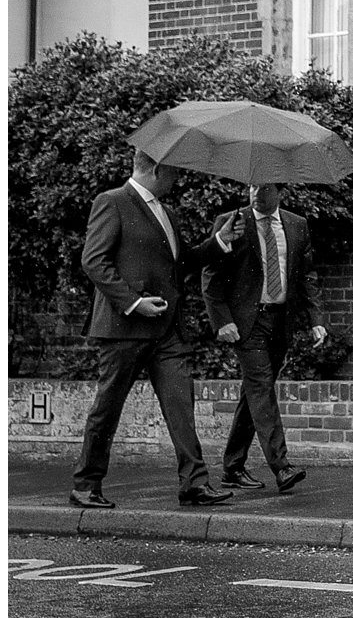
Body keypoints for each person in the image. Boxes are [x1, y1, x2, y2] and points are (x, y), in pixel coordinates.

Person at [72, 150, 243, 508]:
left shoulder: (167, 213)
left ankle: (194, 483)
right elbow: (93, 260)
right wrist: (134, 302)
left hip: (168, 331)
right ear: (157, 168)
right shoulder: (113, 201)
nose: (178, 178)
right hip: (125, 328)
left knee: (181, 405)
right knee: (108, 407)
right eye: (175, 171)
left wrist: (220, 242)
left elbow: (182, 265)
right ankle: (86, 485)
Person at [203, 182, 324, 494]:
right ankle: (281, 467)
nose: (257, 193)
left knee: (256, 391)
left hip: (280, 319)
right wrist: (222, 321)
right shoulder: (231, 222)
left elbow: (308, 275)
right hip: (247, 323)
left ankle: (232, 467)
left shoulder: (297, 225)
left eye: (265, 188)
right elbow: (210, 276)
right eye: (253, 187)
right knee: (259, 386)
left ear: (279, 191)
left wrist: (317, 321)